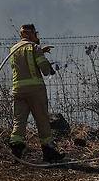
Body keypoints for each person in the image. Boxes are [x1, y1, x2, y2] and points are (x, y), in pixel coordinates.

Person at [8, 24, 65, 163]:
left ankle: (16, 150)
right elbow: (44, 69)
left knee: (19, 121)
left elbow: (23, 64)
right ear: (30, 34)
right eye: (35, 34)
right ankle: (49, 152)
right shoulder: (34, 47)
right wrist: (49, 68)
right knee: (42, 120)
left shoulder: (14, 49)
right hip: (35, 90)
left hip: (18, 91)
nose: (37, 37)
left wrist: (40, 52)